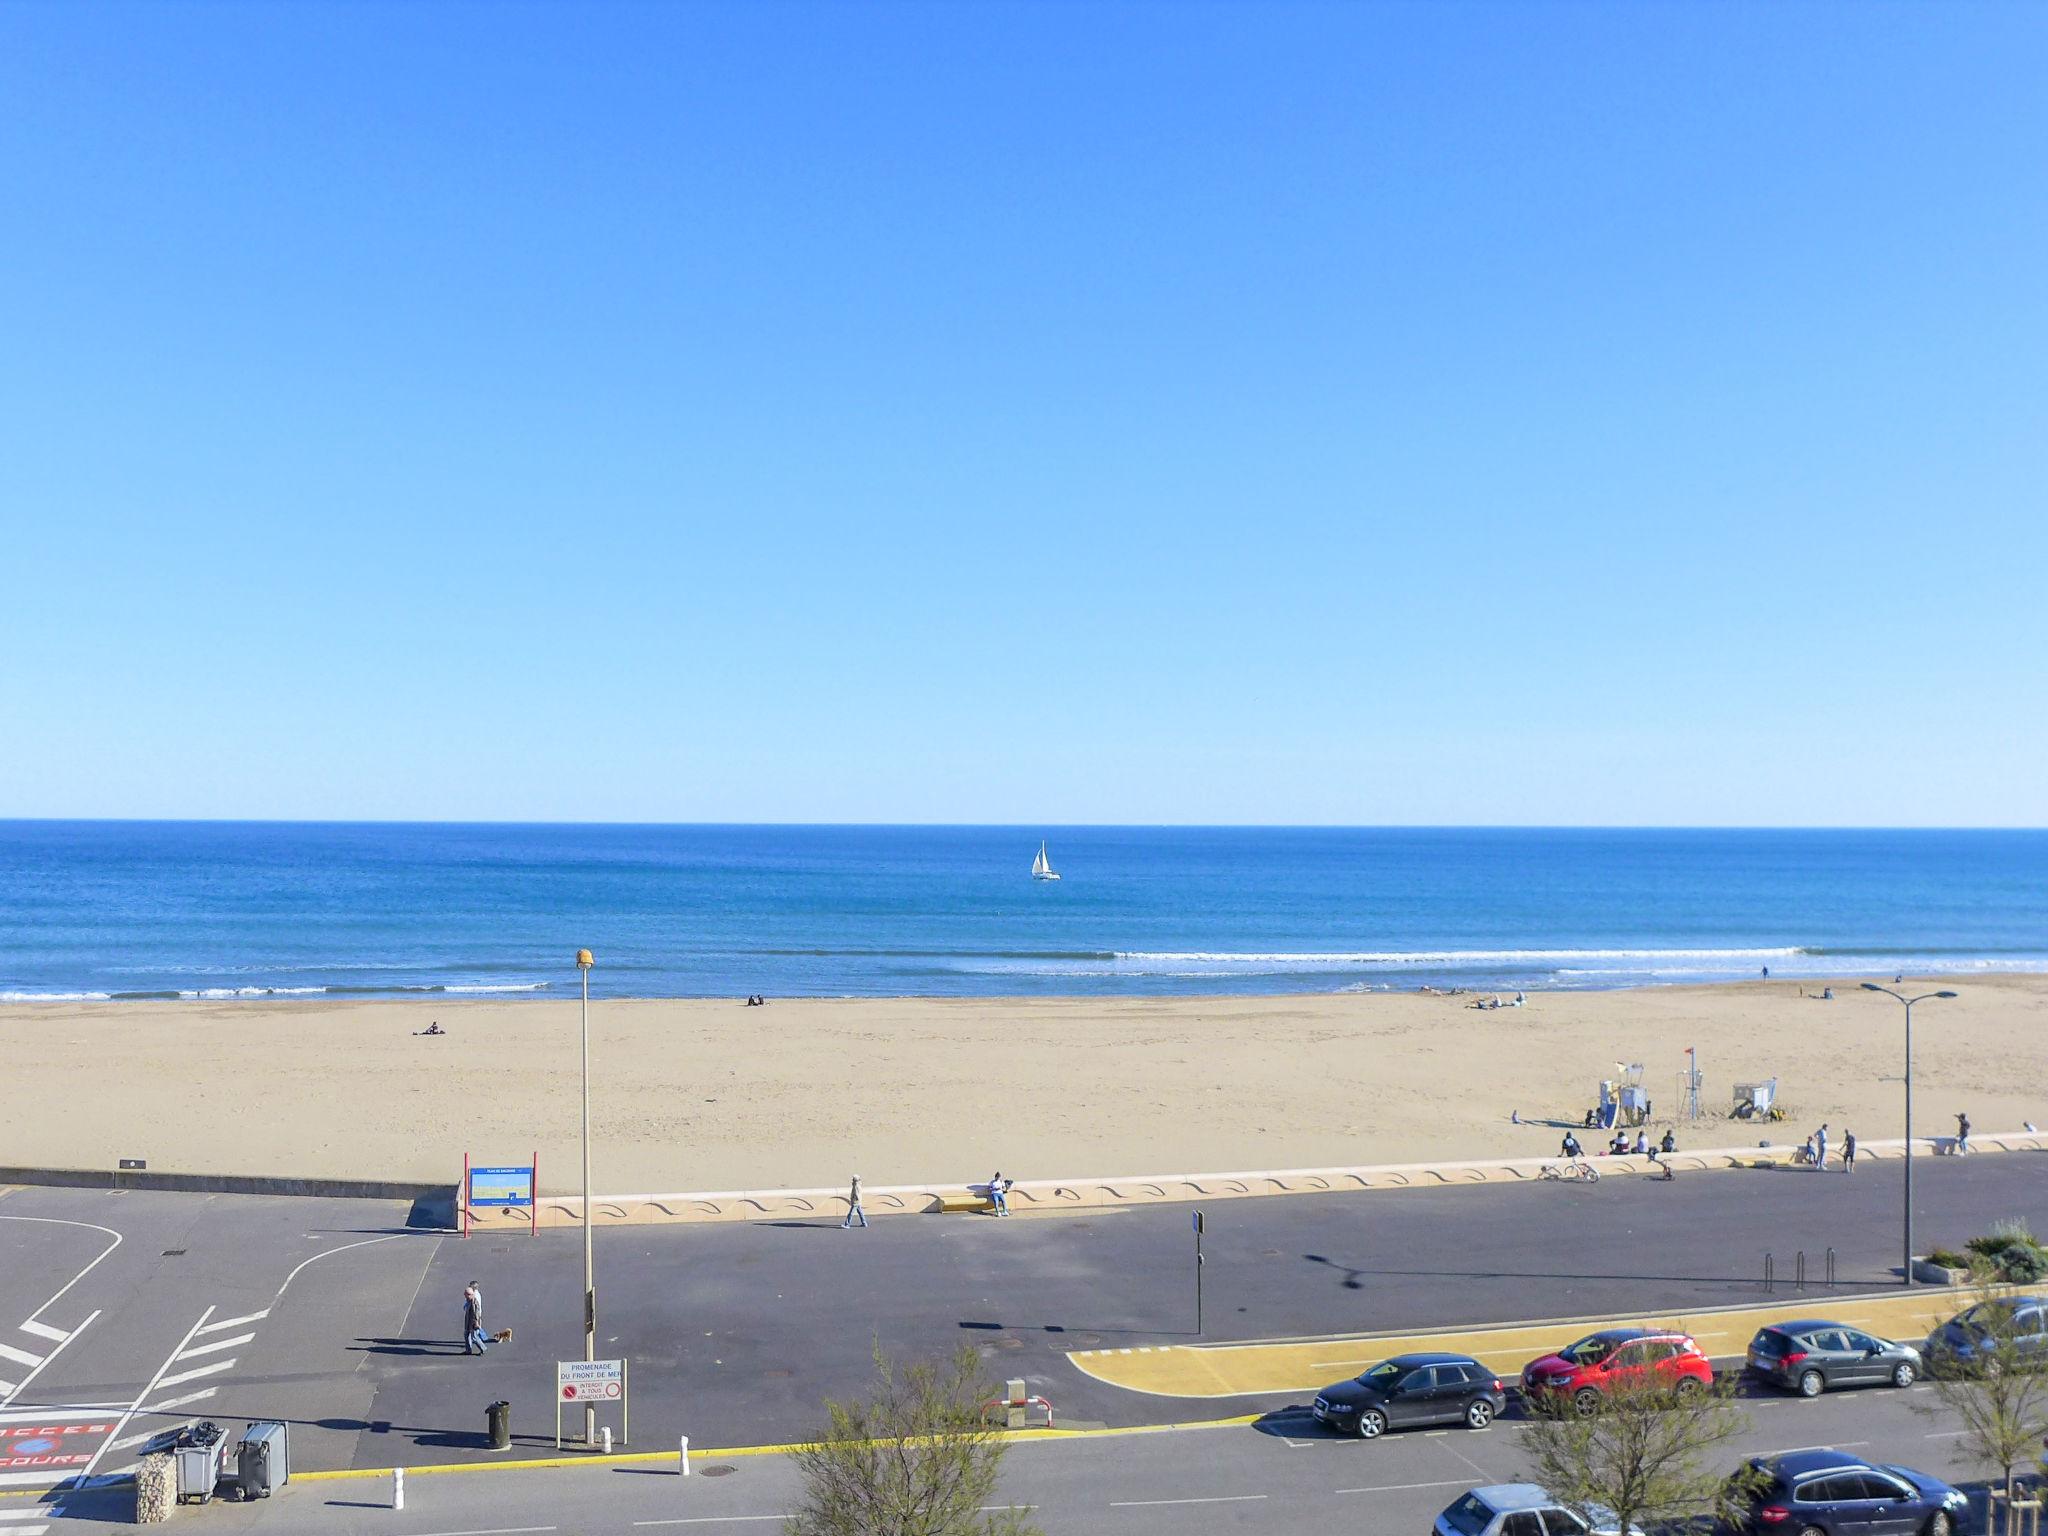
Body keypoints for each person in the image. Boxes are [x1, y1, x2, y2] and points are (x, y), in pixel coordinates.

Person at [463, 1281, 489, 1355]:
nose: (464, 1295)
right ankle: (468, 1350)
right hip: (468, 1321)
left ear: (470, 1295)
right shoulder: (469, 1300)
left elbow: (477, 1313)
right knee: (466, 1334)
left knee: (474, 1337)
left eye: (465, 1294)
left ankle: (483, 1348)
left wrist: (476, 1322)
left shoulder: (474, 1302)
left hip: (472, 1322)